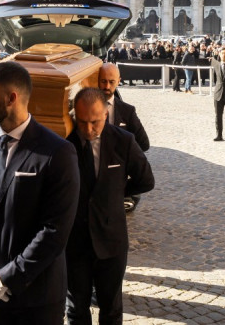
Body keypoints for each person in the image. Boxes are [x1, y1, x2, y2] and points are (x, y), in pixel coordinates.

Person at [0, 61, 79, 324]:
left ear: (11, 98)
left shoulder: (57, 152)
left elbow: (54, 231)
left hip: (35, 298)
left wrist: (4, 279)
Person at [64, 88, 154, 324]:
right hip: (75, 242)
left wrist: (114, 194)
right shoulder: (65, 143)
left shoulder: (123, 141)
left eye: (95, 122)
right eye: (82, 121)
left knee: (111, 309)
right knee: (75, 309)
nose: (88, 129)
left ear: (106, 114)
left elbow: (146, 180)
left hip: (111, 240)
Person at [97, 63, 150, 212]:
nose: (107, 86)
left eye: (111, 82)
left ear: (119, 81)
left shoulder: (127, 111)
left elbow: (144, 143)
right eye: (103, 81)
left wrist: (123, 156)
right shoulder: (86, 107)